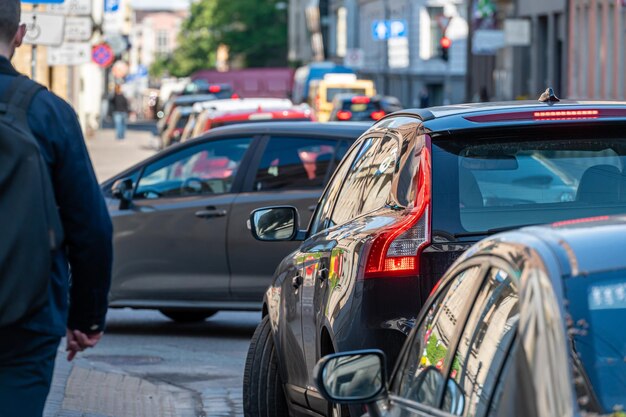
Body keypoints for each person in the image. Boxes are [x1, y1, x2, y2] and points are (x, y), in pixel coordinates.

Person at [0, 1, 113, 416]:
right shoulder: (49, 112)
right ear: (20, 34)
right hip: (26, 314)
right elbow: (91, 228)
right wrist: (86, 318)